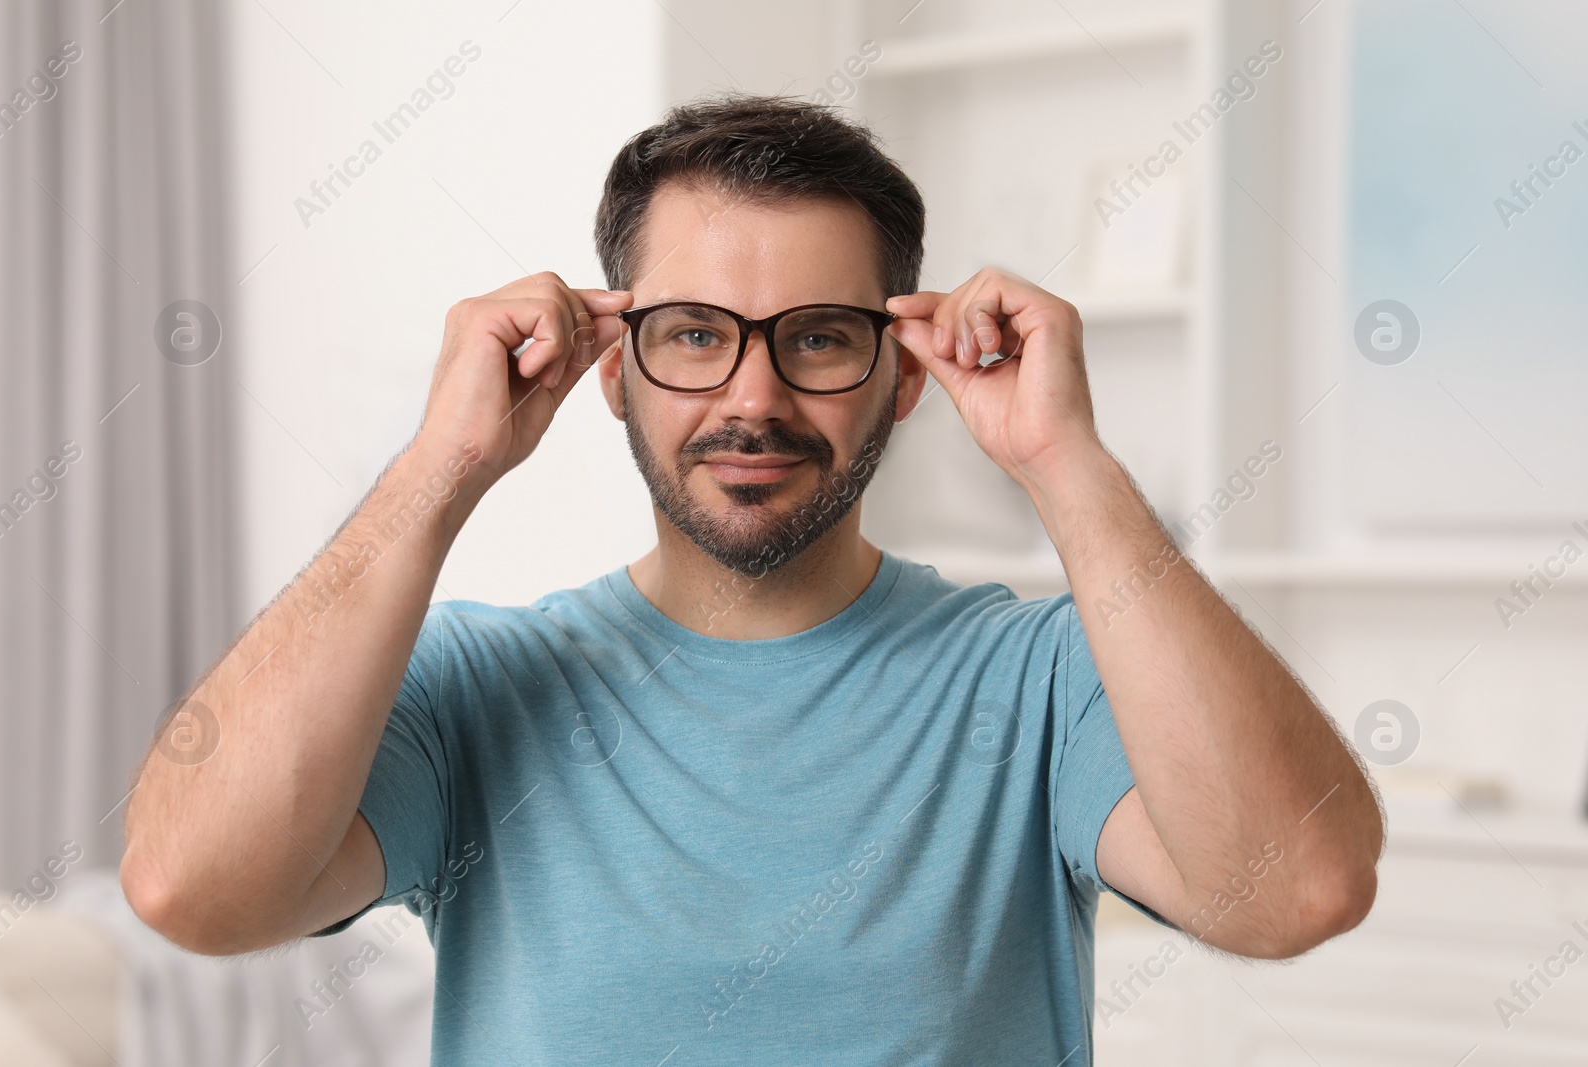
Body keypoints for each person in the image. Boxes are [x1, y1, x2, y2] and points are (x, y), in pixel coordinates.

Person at [118, 92, 1384, 1065]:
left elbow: (1297, 891)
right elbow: (192, 887)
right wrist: (437, 468)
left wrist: (1068, 465)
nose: (753, 398)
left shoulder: (1043, 678)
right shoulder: (473, 686)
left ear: (903, 372)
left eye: (820, 338)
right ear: (613, 366)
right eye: (693, 336)